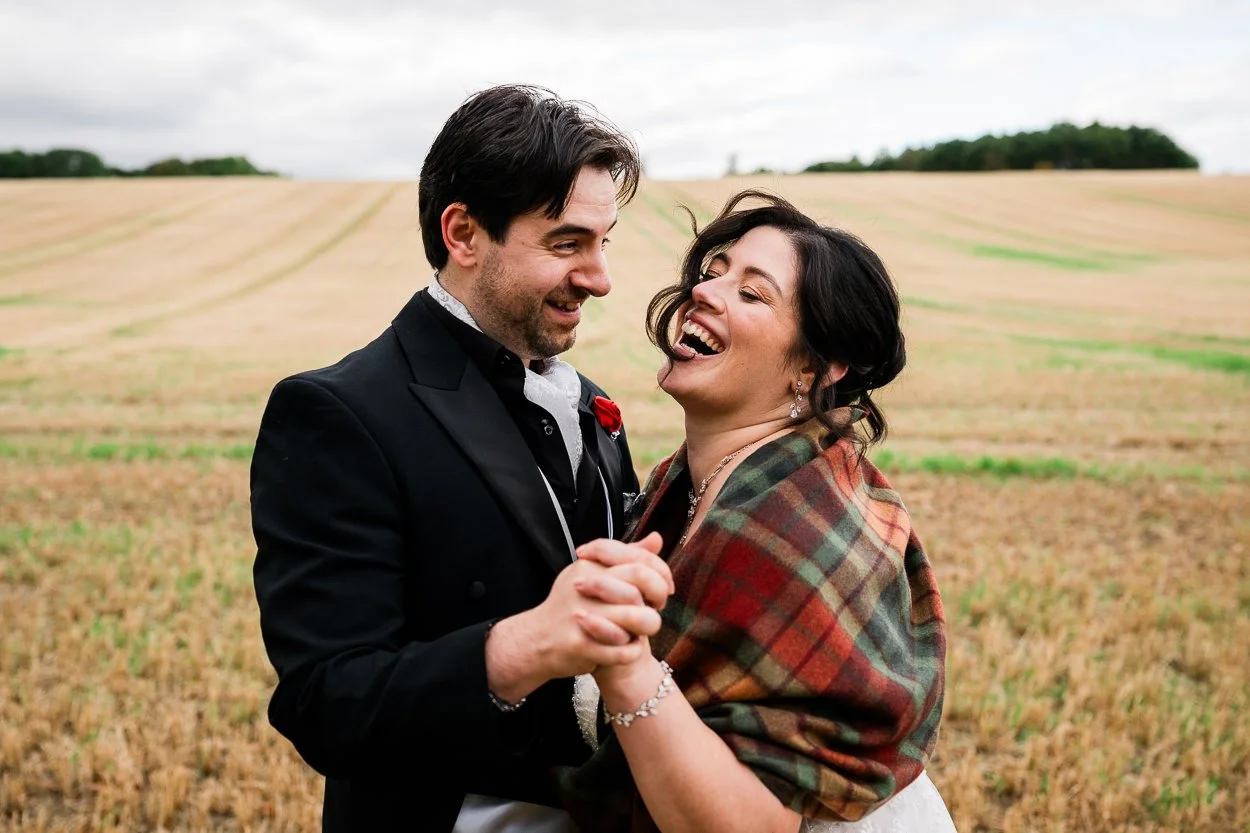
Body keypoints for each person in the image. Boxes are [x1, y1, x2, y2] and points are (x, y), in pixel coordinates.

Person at [250, 85, 673, 833]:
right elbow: (325, 701)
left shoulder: (594, 405)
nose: (601, 277)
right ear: (464, 233)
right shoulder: (338, 412)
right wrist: (524, 645)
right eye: (568, 243)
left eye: (604, 242)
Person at [560, 191, 954, 832]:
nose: (705, 292)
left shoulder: (796, 529)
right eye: (714, 272)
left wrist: (624, 663)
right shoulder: (691, 478)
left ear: (812, 367)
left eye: (752, 293)